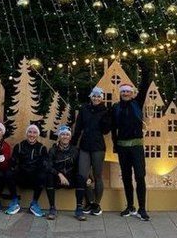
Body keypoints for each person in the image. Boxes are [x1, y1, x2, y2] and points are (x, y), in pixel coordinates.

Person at [111, 83, 150, 222]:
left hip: (137, 146)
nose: (126, 94)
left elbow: (145, 86)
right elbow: (113, 128)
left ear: (132, 93)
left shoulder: (137, 103)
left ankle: (142, 209)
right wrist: (115, 145)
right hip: (123, 147)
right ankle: (130, 206)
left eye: (128, 92)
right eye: (123, 92)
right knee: (126, 177)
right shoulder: (115, 107)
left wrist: (143, 64)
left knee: (140, 176)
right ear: (120, 93)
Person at [72, 86, 111, 215]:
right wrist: (73, 143)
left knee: (97, 176)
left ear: (102, 98)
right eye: (94, 96)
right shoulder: (84, 109)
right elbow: (78, 128)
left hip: (98, 147)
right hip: (85, 146)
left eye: (98, 96)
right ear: (91, 97)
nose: (96, 98)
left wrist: (106, 120)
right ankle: (89, 201)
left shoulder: (105, 111)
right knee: (83, 175)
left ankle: (97, 204)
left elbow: (106, 131)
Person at [5, 124, 48, 217]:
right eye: (30, 132)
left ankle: (34, 203)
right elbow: (13, 162)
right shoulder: (19, 146)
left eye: (34, 132)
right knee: (8, 173)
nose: (32, 135)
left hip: (34, 179)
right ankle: (15, 201)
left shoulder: (42, 148)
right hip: (21, 176)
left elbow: (44, 164)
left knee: (43, 175)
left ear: (37, 135)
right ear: (26, 133)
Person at [45, 125, 87, 221]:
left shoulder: (75, 150)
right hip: (57, 179)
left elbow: (79, 167)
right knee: (48, 176)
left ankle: (79, 209)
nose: (65, 137)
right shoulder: (53, 150)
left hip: (70, 179)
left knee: (81, 177)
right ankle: (52, 208)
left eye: (67, 135)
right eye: (62, 134)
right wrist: (59, 175)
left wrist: (89, 177)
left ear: (70, 137)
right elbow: (48, 166)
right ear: (59, 137)